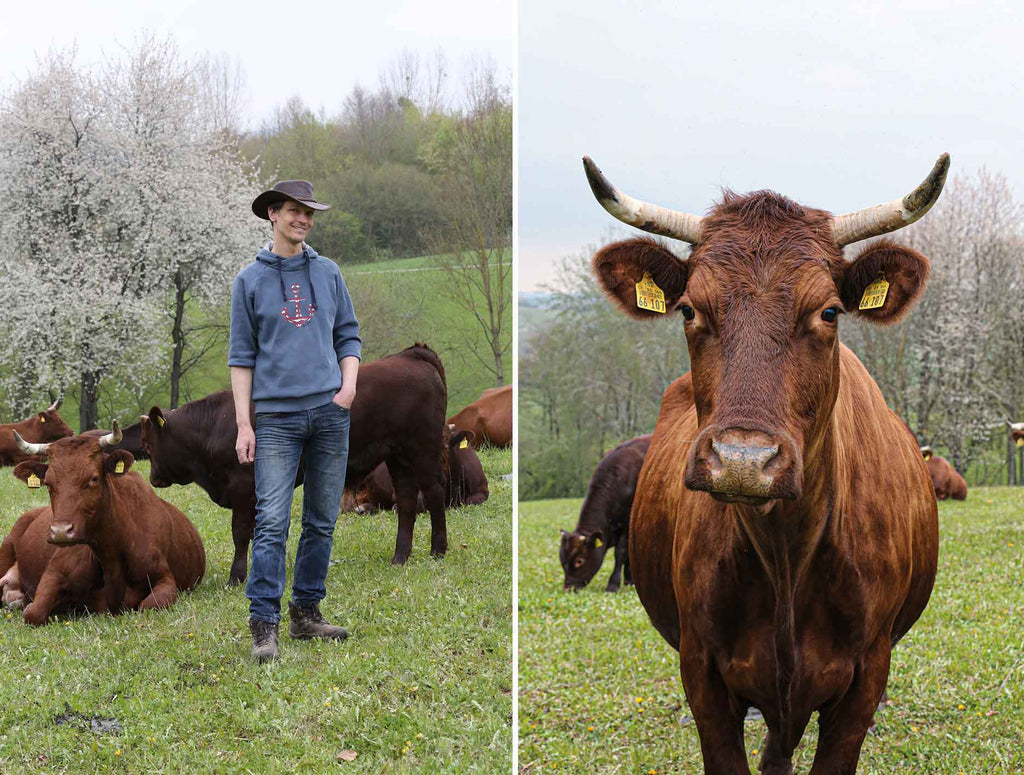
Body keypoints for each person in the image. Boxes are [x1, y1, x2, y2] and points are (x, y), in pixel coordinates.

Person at [228, 180, 361, 663]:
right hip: (278, 419)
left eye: (308, 212)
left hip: (330, 414)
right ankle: (264, 624)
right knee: (271, 523)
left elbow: (348, 335)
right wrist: (246, 424)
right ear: (272, 216)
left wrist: (347, 389)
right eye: (292, 211)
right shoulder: (250, 281)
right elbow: (241, 358)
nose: (302, 219)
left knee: (322, 520)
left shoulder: (328, 273)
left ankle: (307, 612)